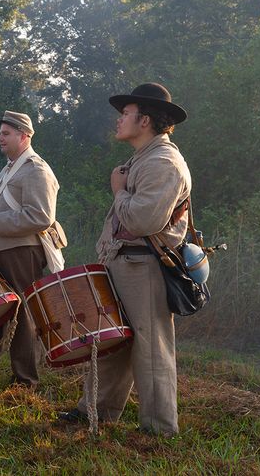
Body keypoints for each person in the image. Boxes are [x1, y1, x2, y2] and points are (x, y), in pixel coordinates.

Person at [58, 83, 191, 436]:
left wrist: (118, 191)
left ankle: (159, 428)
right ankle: (97, 411)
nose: (119, 120)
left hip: (144, 265)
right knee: (113, 340)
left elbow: (143, 220)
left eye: (125, 114)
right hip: (125, 261)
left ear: (144, 120)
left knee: (151, 348)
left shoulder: (163, 162)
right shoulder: (143, 158)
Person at [0, 111, 62, 387]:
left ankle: (25, 380)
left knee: (23, 316)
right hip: (0, 249)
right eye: (0, 133)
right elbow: (0, 207)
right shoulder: (9, 169)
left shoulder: (36, 169)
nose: (0, 138)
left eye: (6, 133)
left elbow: (41, 216)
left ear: (25, 136)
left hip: (22, 251)